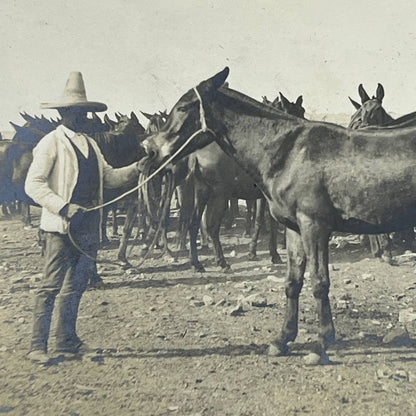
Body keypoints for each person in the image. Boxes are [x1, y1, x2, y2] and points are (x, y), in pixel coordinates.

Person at [25, 72, 140, 363]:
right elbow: (33, 184)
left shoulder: (91, 143)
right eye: (77, 112)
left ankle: (66, 341)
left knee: (75, 287)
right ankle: (37, 346)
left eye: (85, 111)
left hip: (89, 225)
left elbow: (109, 177)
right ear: (64, 113)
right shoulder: (51, 143)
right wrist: (63, 207)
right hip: (62, 227)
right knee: (51, 286)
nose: (83, 116)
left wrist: (138, 168)